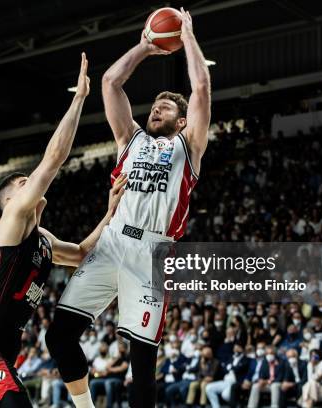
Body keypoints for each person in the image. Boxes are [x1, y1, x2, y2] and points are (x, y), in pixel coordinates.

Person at [45, 7, 211, 408]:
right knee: (59, 335)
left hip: (151, 252)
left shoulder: (188, 146)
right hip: (112, 241)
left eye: (167, 107)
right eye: (154, 105)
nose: (157, 109)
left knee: (142, 367)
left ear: (184, 120)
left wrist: (186, 35)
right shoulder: (129, 139)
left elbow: (202, 88)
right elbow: (110, 82)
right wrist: (144, 47)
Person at [0, 53, 125, 408]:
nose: (33, 184)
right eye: (24, 182)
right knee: (15, 403)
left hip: (5, 344)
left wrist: (109, 212)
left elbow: (79, 253)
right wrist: (79, 98)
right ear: (11, 199)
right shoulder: (12, 220)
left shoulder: (43, 240)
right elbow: (54, 158)